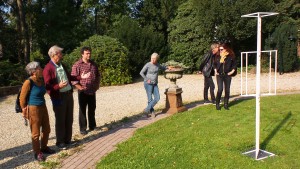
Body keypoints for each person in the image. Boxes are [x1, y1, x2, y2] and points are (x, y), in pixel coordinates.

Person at [43, 45, 90, 149]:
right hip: (59, 97)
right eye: (60, 53)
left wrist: (80, 77)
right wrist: (58, 86)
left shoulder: (61, 65)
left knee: (69, 118)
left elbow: (69, 77)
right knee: (60, 119)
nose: (62, 55)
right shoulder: (48, 68)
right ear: (54, 55)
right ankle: (60, 142)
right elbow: (47, 85)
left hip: (68, 94)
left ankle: (67, 140)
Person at [20, 61, 55, 161]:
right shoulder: (28, 82)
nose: (42, 69)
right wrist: (24, 109)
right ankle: (37, 152)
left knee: (47, 129)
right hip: (33, 109)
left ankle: (44, 147)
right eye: (40, 68)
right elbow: (22, 98)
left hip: (43, 107)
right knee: (35, 133)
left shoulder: (40, 80)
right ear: (34, 71)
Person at [71, 47, 100, 135]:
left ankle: (92, 126)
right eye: (87, 53)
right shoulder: (77, 65)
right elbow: (73, 79)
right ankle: (83, 128)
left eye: (89, 53)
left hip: (92, 90)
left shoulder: (93, 64)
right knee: (82, 110)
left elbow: (98, 75)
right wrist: (80, 87)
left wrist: (97, 86)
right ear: (82, 54)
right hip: (83, 91)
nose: (89, 55)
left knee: (92, 108)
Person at [140, 53, 167, 118]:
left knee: (157, 98)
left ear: (157, 59)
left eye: (154, 59)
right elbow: (141, 73)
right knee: (150, 99)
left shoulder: (157, 65)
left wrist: (169, 68)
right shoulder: (148, 64)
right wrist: (146, 79)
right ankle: (152, 112)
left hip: (155, 83)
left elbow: (163, 68)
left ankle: (146, 110)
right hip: (148, 84)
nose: (153, 60)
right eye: (152, 58)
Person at [214, 44, 237, 110]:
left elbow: (234, 65)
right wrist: (215, 71)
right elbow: (214, 64)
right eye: (219, 49)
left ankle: (226, 104)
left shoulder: (230, 56)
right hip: (219, 75)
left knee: (227, 90)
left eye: (222, 49)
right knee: (220, 89)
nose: (220, 51)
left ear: (226, 49)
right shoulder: (218, 56)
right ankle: (217, 104)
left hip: (227, 75)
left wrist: (232, 72)